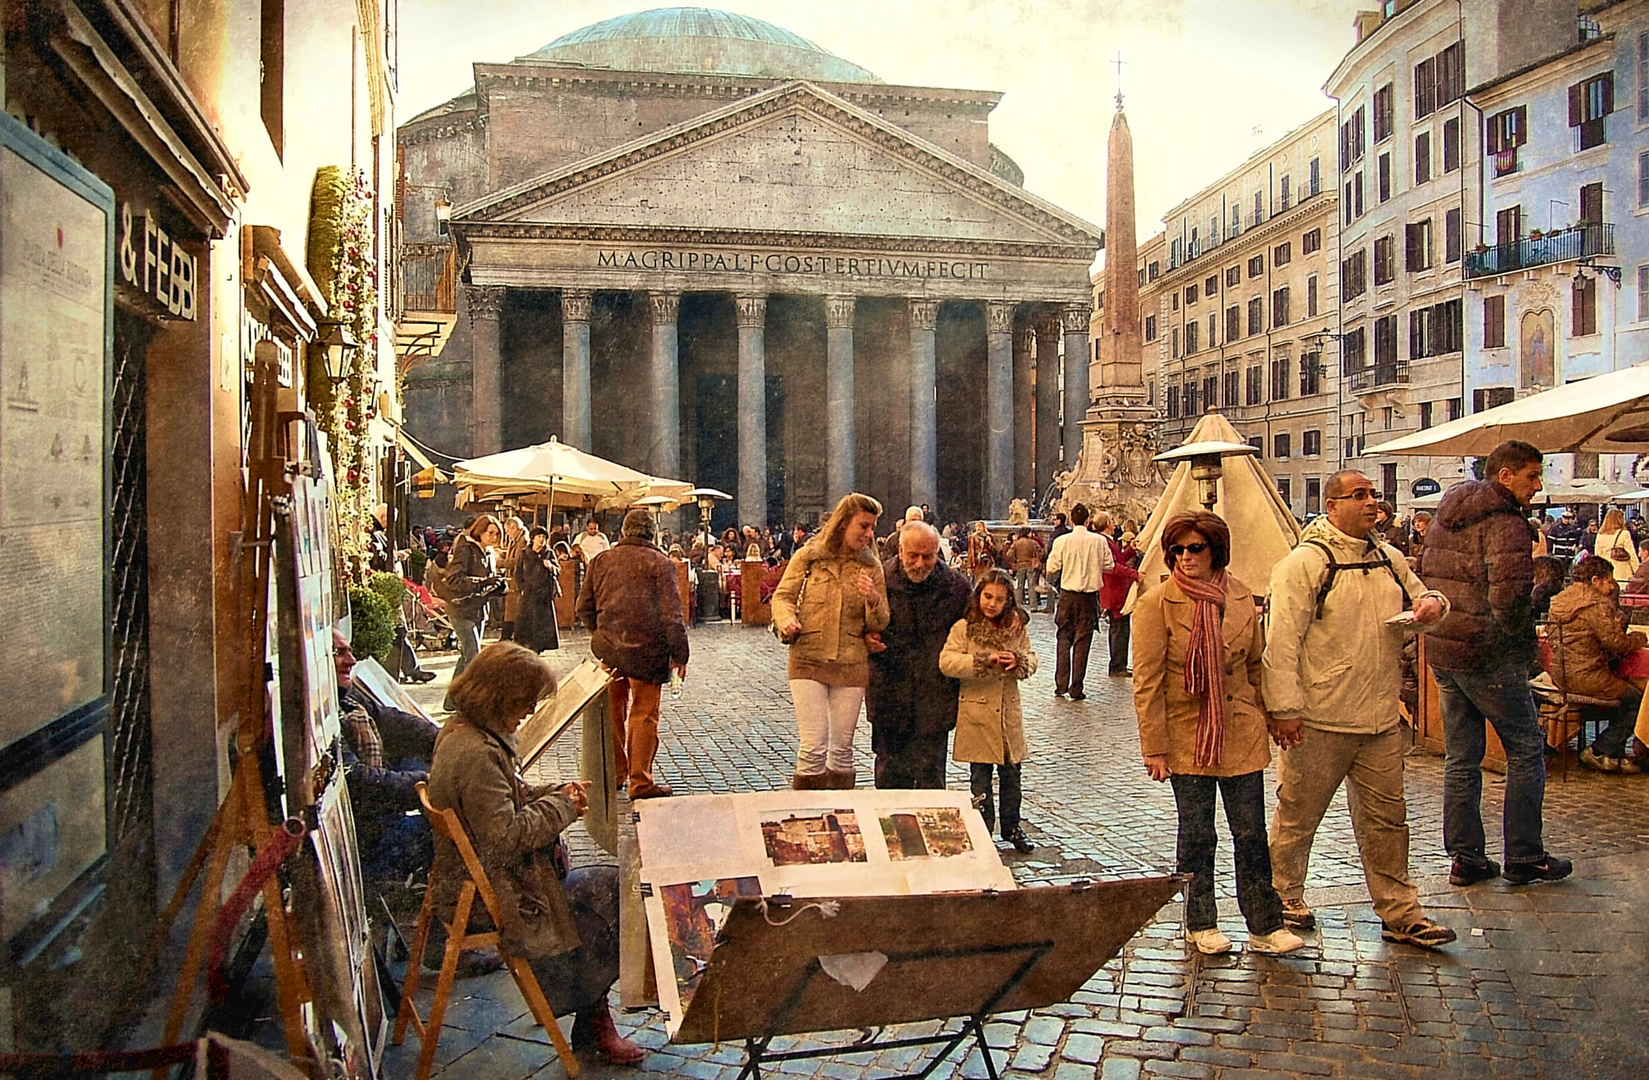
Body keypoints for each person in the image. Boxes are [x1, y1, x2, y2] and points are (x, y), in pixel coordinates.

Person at [1262, 470, 1458, 950]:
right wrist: (1284, 709)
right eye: (1359, 495)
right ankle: (1281, 896)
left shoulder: (1389, 558)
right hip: (1320, 717)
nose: (1373, 502)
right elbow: (1281, 642)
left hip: (1379, 717)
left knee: (1390, 820)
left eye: (1374, 494)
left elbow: (1424, 594)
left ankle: (1400, 911)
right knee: (1297, 815)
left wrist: (1434, 605)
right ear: (1332, 506)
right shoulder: (1304, 564)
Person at [427, 642, 644, 1065]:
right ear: (499, 697)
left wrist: (552, 793)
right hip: (499, 896)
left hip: (485, 881)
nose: (527, 712)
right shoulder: (476, 753)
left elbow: (506, 800)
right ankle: (595, 1020)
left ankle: (593, 1015)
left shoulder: (464, 732)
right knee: (617, 895)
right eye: (524, 703)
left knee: (605, 888)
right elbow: (506, 835)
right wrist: (561, 806)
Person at [1131, 512, 1303, 957]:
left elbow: (1253, 666)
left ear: (1215, 551)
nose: (1185, 558)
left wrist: (1273, 717)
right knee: (1198, 832)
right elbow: (1146, 682)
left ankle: (1264, 923)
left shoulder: (1242, 597)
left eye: (1195, 548)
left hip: (1239, 729)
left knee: (1249, 832)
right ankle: (1200, 919)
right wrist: (1154, 747)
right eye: (1178, 550)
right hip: (1189, 731)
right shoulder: (1155, 605)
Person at [1421, 440, 1571, 887]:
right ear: (1504, 476)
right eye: (1532, 475)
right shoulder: (1506, 523)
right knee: (1526, 749)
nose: (1537, 486)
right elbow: (1508, 599)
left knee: (1461, 757)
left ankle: (1466, 857)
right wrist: (1525, 642)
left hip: (1446, 649)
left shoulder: (1448, 514)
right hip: (1487, 654)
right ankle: (1524, 854)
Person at [771, 493, 890, 790]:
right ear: (843, 523)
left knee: (843, 749)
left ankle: (842, 815)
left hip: (851, 661)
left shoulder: (871, 565)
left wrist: (873, 599)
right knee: (813, 744)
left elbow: (881, 621)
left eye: (872, 527)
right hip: (808, 658)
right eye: (863, 526)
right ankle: (806, 815)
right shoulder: (808, 557)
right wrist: (786, 619)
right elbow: (783, 596)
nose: (869, 534)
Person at [576, 509, 690, 799]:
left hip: (610, 652)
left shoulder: (602, 560)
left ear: (624, 532)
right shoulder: (660, 563)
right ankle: (641, 782)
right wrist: (680, 656)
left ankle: (616, 773)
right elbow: (672, 616)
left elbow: (583, 607)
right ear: (652, 533)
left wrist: (600, 632)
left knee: (613, 714)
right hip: (648, 653)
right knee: (643, 716)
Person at [867, 521, 972, 789]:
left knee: (931, 775)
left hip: (934, 698)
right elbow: (853, 621)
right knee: (890, 774)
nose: (920, 563)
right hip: (889, 695)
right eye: (913, 555)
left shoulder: (957, 588)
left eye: (928, 556)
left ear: (938, 552)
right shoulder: (880, 582)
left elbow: (983, 621)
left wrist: (1016, 617)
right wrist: (864, 637)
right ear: (900, 551)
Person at [941, 569, 1039, 853]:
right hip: (977, 715)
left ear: (1008, 601)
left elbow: (1032, 658)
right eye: (987, 596)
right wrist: (981, 661)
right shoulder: (965, 628)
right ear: (978, 595)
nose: (992, 604)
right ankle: (983, 829)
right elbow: (947, 661)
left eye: (999, 599)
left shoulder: (1015, 628)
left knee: (1012, 776)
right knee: (980, 779)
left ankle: (1012, 826)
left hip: (1007, 715)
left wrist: (1018, 661)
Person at [333, 630, 437, 881]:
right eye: (339, 653)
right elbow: (357, 780)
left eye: (349, 650)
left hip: (378, 816)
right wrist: (427, 782)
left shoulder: (348, 700)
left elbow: (392, 721)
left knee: (419, 757)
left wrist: (449, 739)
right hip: (362, 841)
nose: (351, 660)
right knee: (441, 834)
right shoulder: (319, 721)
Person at [1546, 555, 1646, 774]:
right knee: (1637, 699)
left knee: (1622, 695)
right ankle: (1602, 750)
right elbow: (1616, 643)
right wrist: (1639, 638)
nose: (1612, 587)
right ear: (1595, 580)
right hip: (1588, 677)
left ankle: (1611, 753)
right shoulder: (1594, 603)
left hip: (1561, 675)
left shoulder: (1560, 600)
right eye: (1609, 581)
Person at [1045, 504, 1113, 700]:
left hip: (1068, 595)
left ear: (1072, 521)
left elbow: (1051, 566)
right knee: (1083, 641)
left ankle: (1060, 684)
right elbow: (1109, 566)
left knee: (1063, 637)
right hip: (1089, 597)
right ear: (1087, 521)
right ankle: (1077, 687)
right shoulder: (1099, 541)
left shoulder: (1062, 541)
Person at [440, 515, 503, 712]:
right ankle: (470, 703)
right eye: (490, 533)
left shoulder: (490, 553)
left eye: (497, 534)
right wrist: (481, 582)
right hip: (460, 609)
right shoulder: (466, 549)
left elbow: (488, 580)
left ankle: (451, 701)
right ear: (480, 532)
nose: (494, 537)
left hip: (478, 610)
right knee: (474, 656)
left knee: (466, 656)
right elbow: (454, 580)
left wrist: (498, 586)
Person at [1100, 525, 1141, 677]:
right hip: (1114, 591)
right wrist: (1135, 574)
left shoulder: (1108, 542)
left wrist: (1130, 550)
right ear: (1107, 524)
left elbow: (1120, 560)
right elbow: (1114, 566)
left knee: (1121, 628)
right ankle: (1117, 665)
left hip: (1115, 591)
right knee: (1119, 630)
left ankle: (1120, 664)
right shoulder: (1105, 543)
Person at [513, 526, 561, 653]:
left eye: (544, 537)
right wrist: (521, 587)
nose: (541, 540)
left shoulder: (549, 553)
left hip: (544, 595)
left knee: (542, 624)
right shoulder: (524, 554)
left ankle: (539, 647)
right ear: (533, 539)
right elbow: (518, 573)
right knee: (527, 622)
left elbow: (558, 570)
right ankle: (526, 646)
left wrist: (550, 566)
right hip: (529, 593)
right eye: (539, 537)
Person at [498, 516, 527, 641]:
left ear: (514, 528)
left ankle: (508, 637)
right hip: (511, 579)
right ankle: (507, 636)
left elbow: (517, 561)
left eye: (507, 531)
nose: (507, 534)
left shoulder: (523, 541)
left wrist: (499, 562)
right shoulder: (515, 539)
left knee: (514, 611)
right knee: (511, 611)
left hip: (517, 580)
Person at [1594, 507, 1638, 586]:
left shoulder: (1600, 535)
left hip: (1606, 572)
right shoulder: (1624, 534)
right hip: (1622, 573)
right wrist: (1638, 571)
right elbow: (1632, 554)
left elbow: (1597, 555)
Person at [1007, 528, 1044, 611]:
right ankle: (1033, 606)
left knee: (1020, 586)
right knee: (1032, 586)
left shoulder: (1016, 543)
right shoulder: (1033, 543)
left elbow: (1009, 554)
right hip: (1031, 565)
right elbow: (1042, 553)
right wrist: (1037, 559)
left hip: (1020, 566)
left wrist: (1015, 561)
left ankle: (1018, 605)